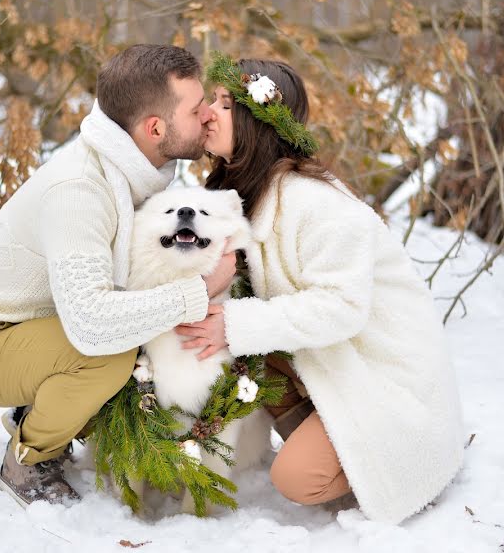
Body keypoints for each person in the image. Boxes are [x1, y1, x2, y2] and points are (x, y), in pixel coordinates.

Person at [175, 54, 465, 524]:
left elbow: (343, 307)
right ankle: (321, 427)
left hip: (386, 384)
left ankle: (383, 460)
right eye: (211, 100)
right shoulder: (246, 190)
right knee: (245, 352)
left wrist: (233, 323)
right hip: (332, 363)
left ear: (258, 123)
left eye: (224, 105)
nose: (206, 111)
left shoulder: (317, 203)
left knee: (297, 479)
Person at [0, 45, 237, 507]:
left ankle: (46, 407)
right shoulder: (80, 189)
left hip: (42, 330)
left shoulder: (137, 170)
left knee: (132, 339)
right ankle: (28, 460)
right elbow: (91, 322)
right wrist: (200, 290)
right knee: (110, 355)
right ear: (155, 128)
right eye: (196, 108)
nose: (207, 116)